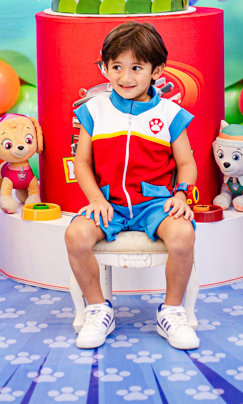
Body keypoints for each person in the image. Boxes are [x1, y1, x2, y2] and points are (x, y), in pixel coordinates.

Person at [64, 22, 199, 350]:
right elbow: (82, 163)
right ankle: (98, 309)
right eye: (117, 67)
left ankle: (172, 311)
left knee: (183, 234)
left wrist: (182, 194)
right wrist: (96, 199)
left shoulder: (170, 114)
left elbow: (186, 163)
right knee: (75, 235)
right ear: (105, 67)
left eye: (136, 68)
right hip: (109, 203)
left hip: (155, 203)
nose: (125, 77)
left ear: (157, 70)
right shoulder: (93, 110)